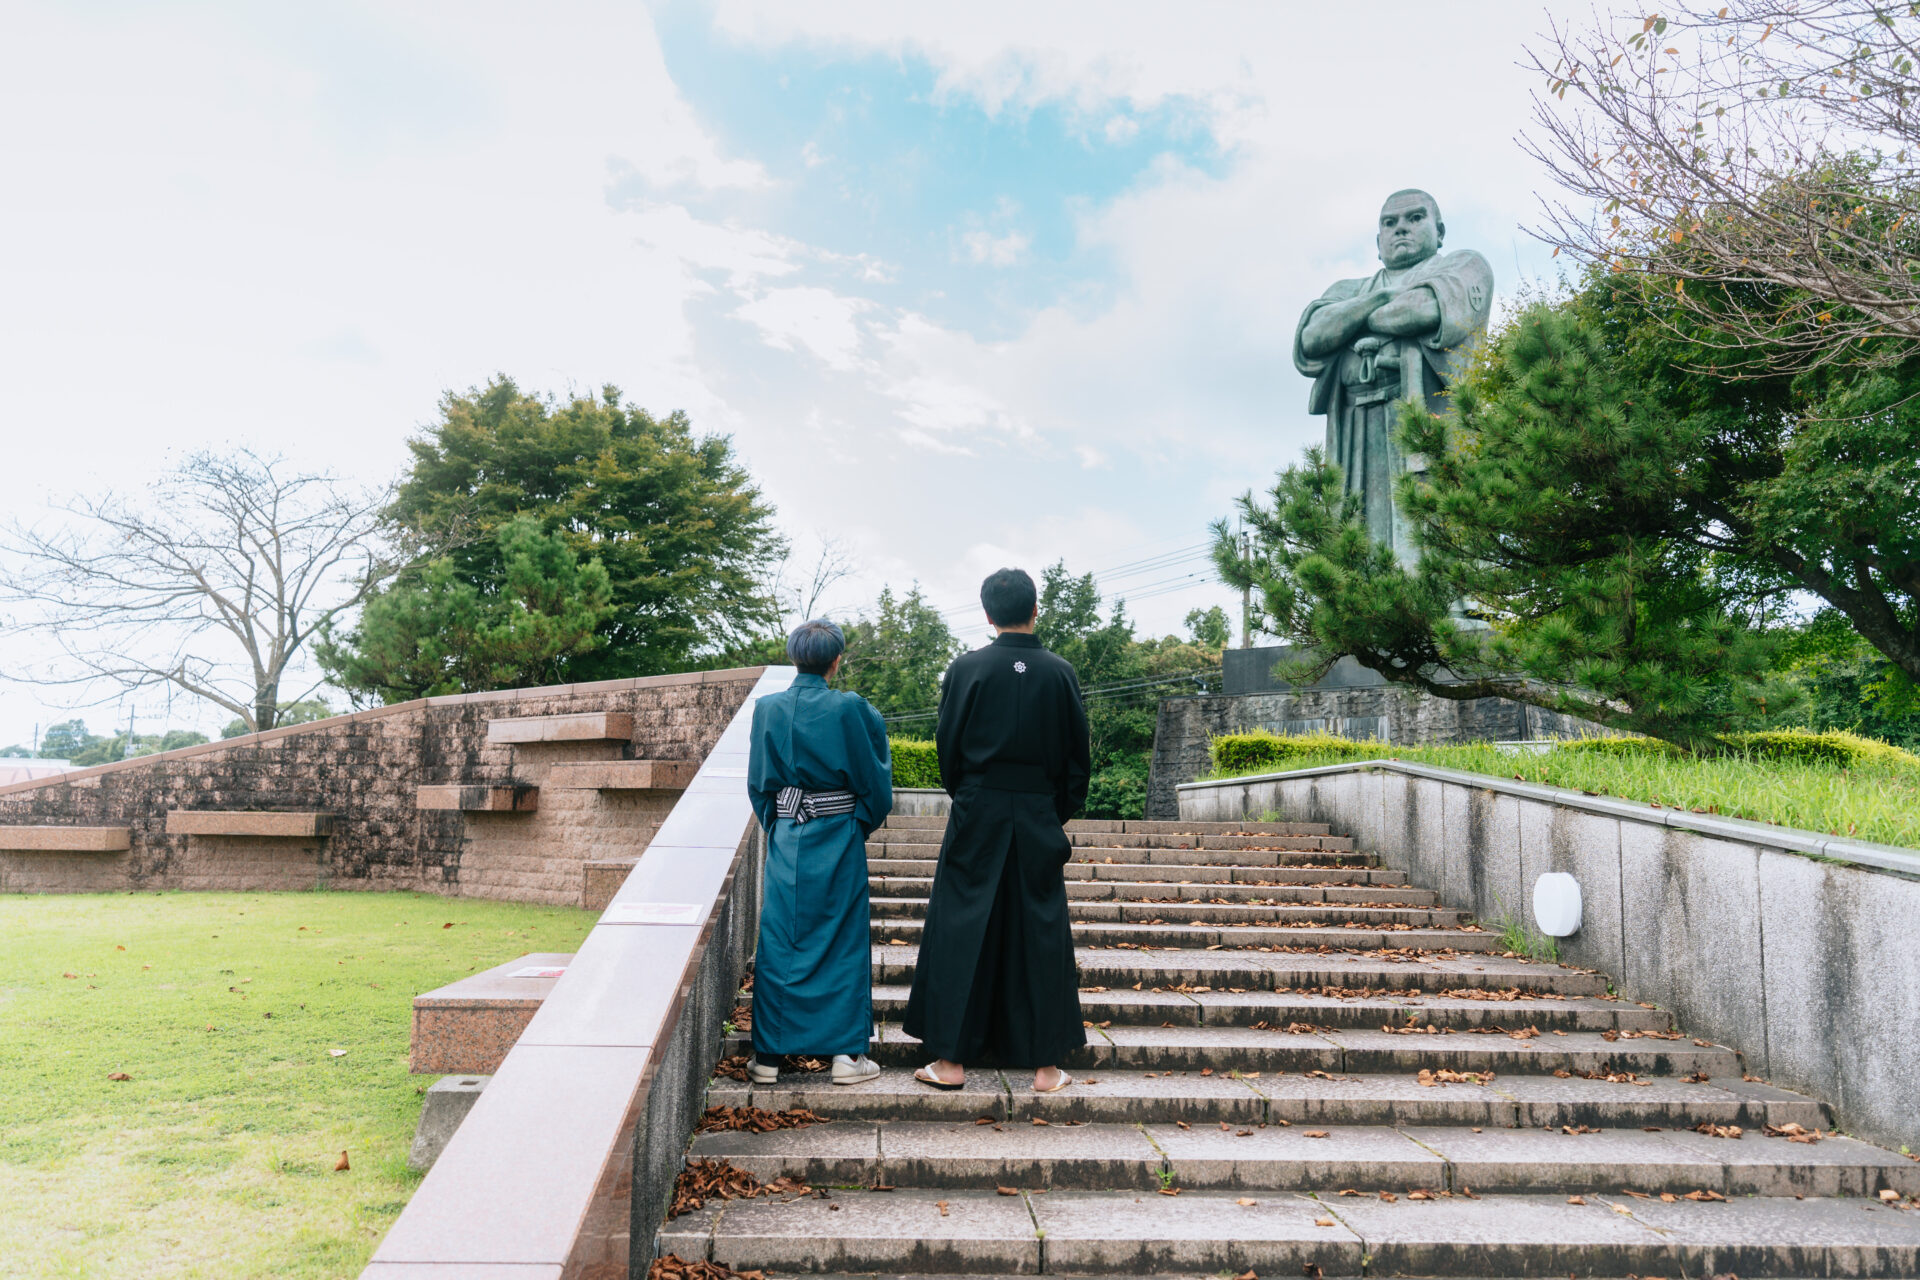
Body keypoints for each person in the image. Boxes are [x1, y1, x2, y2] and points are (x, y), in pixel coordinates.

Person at [902, 567, 1091, 1093]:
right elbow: (1079, 759)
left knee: (962, 927)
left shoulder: (966, 669)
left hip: (978, 807)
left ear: (988, 615)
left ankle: (952, 1062)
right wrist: (1052, 810)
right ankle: (1047, 1068)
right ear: (1036, 609)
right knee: (1042, 931)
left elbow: (948, 748)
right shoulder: (1060, 672)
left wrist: (971, 797)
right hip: (1036, 810)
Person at [1294, 188, 1494, 564]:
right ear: (1378, 240)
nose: (1401, 228)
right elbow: (1313, 337)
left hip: (1424, 420)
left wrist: (1352, 320)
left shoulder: (1465, 265)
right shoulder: (1348, 289)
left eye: (1415, 218)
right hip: (1356, 431)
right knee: (1355, 541)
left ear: (1440, 230)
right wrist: (1378, 299)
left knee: (1431, 532)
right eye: (1390, 223)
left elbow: (1421, 311)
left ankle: (1447, 610)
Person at [746, 619, 892, 1086]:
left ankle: (768, 1057)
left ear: (794, 658)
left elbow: (759, 785)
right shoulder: (852, 709)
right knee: (843, 939)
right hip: (839, 834)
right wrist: (853, 823)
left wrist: (784, 822)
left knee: (780, 937)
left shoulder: (767, 708)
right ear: (836, 660)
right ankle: (847, 1057)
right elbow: (875, 784)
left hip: (789, 833)